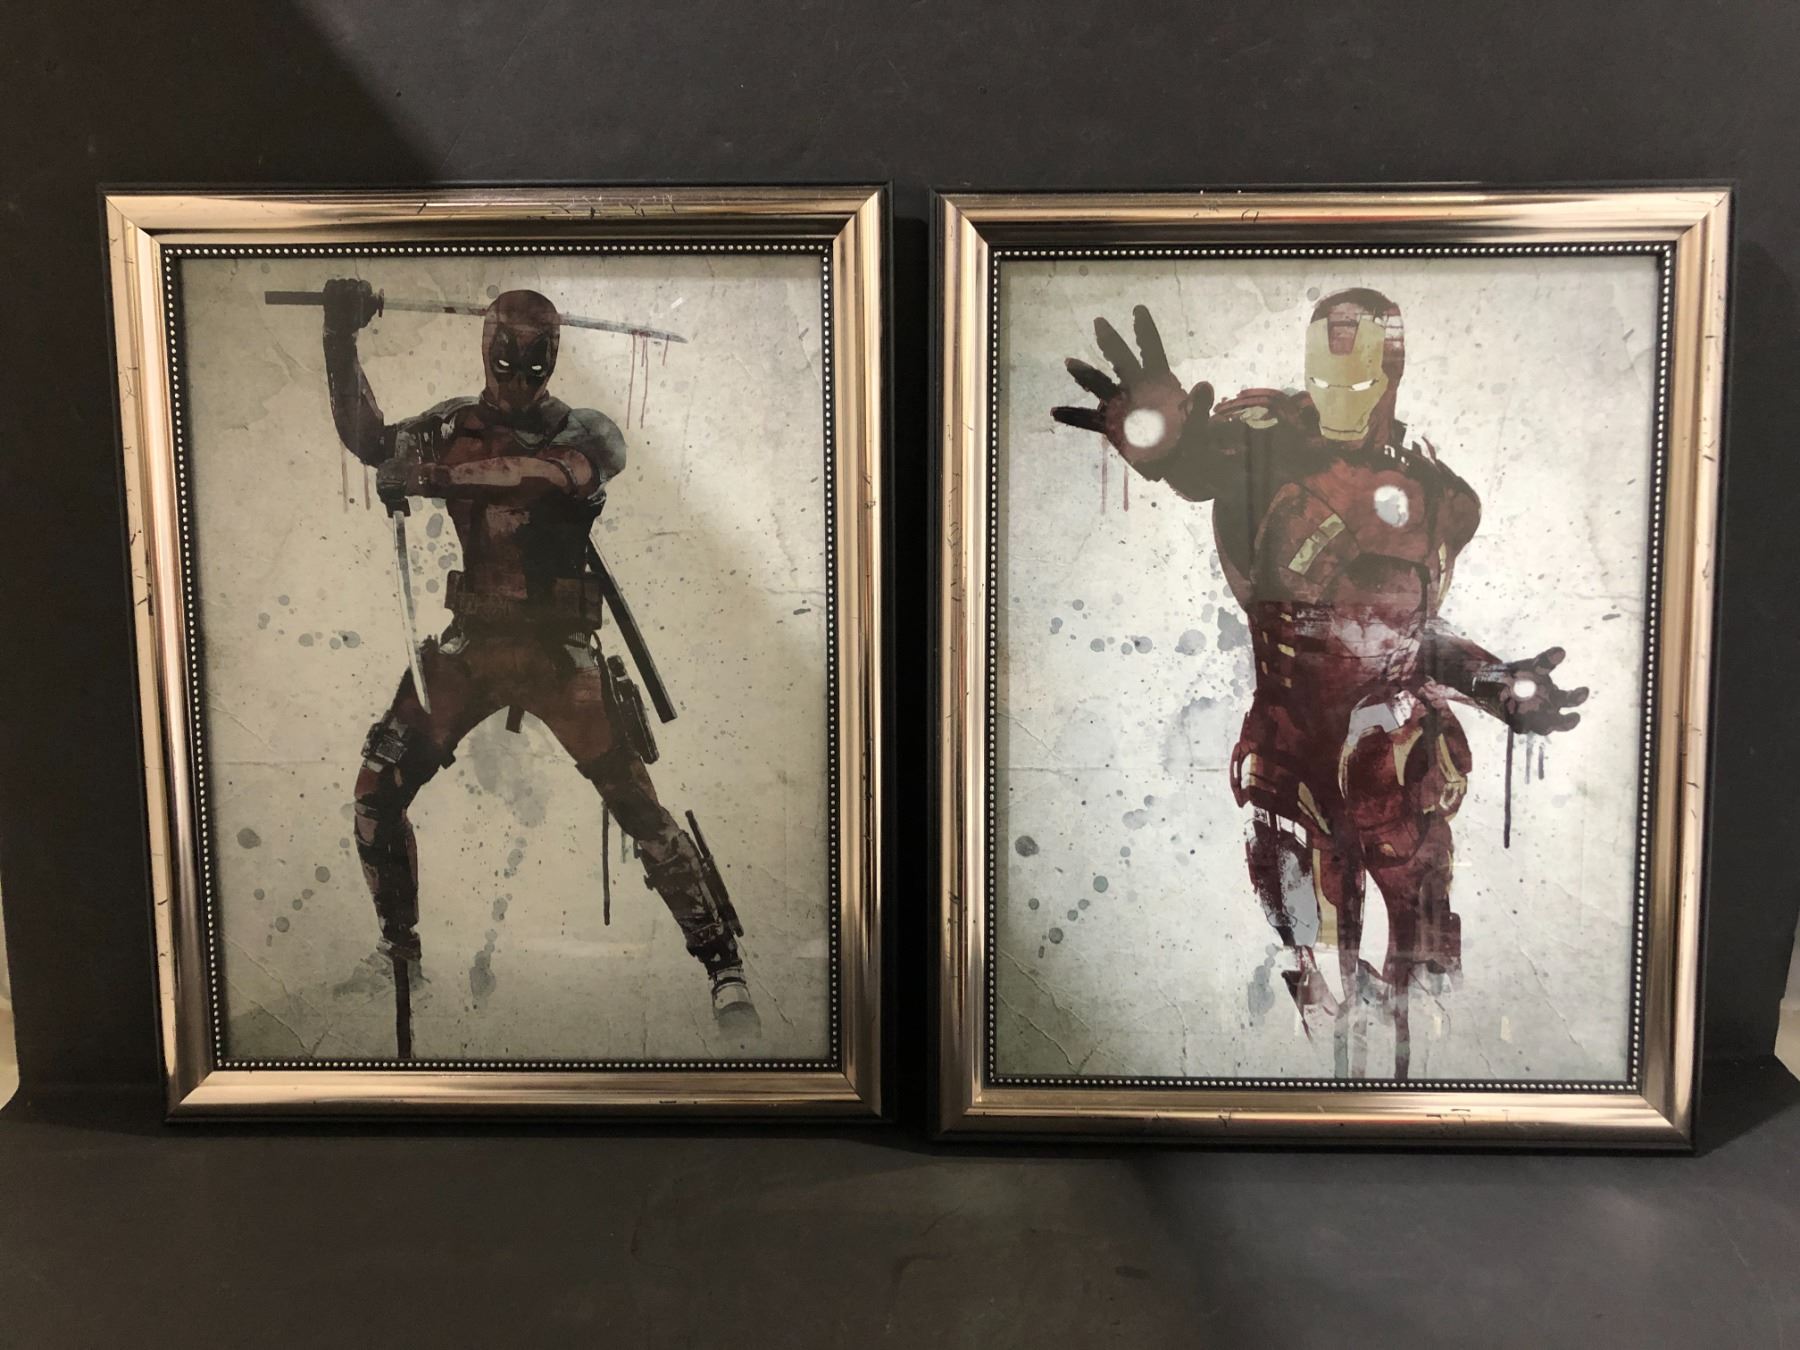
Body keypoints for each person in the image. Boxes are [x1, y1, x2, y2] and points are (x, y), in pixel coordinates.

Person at [1053, 291, 1585, 1077]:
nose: (1338, 396)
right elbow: (1204, 462)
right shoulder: (1266, 445)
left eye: (1358, 378)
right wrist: (1165, 441)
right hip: (1295, 759)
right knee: (1314, 984)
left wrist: (1494, 680)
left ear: (1392, 371)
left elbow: (1404, 633)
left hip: (1394, 763)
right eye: (1325, 375)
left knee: (1423, 982)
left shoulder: (1438, 494)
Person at [320, 277, 755, 1040]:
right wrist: (339, 339)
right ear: (487, 348)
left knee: (637, 805)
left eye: (534, 360)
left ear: (552, 357)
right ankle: (399, 954)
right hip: (473, 647)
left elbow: (545, 477)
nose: (519, 376)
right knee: (376, 789)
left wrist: (430, 478)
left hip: (559, 655)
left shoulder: (586, 433)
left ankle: (722, 964)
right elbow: (370, 440)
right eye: (507, 358)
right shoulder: (450, 423)